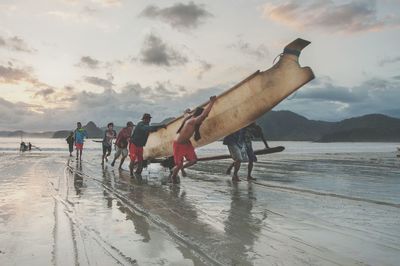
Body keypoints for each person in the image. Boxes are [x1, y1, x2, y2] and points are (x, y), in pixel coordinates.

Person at [169, 96, 217, 183]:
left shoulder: (189, 118)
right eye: (203, 117)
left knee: (193, 161)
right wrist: (212, 102)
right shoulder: (192, 121)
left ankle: (181, 168)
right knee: (179, 164)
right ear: (198, 115)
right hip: (179, 144)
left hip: (187, 143)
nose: (204, 119)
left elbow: (186, 114)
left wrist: (186, 112)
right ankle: (173, 176)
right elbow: (204, 115)